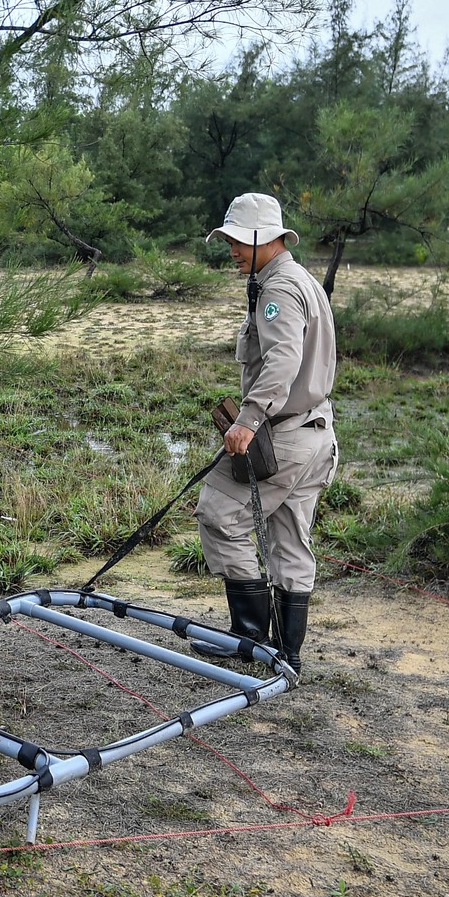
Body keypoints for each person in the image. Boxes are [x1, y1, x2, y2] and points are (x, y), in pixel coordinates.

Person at [192, 192, 339, 674]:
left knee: (217, 512)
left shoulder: (277, 289)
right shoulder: (299, 280)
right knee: (290, 539)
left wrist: (248, 418)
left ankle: (249, 639)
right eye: (228, 240)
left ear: (265, 238)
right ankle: (286, 654)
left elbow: (282, 359)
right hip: (316, 432)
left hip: (286, 436)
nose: (230, 250)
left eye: (237, 241)